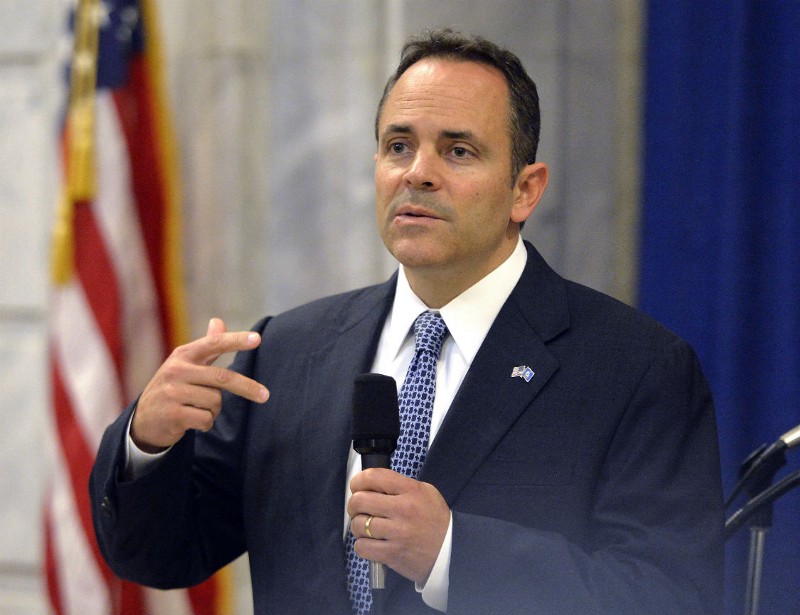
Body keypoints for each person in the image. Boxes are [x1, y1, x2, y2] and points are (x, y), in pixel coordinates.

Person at [90, 28, 724, 615]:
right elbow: (165, 555)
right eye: (399, 146)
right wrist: (148, 443)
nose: (418, 172)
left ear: (524, 190)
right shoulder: (288, 351)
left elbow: (670, 596)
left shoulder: (635, 369)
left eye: (458, 150)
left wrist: (454, 556)